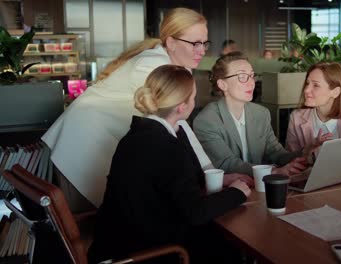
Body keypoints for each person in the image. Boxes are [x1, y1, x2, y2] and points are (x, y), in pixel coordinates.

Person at [41, 8, 247, 212]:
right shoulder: (153, 65)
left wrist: (209, 175)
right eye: (195, 43)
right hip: (81, 143)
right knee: (91, 226)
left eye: (204, 43)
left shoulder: (177, 66)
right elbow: (178, 122)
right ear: (171, 42)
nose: (202, 50)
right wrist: (210, 174)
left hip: (102, 142)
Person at [87, 65, 251, 264]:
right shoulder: (166, 146)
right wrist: (237, 193)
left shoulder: (138, 135)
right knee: (231, 250)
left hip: (117, 242)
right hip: (146, 252)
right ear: (181, 107)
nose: (194, 102)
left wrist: (223, 180)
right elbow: (196, 213)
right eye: (193, 98)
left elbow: (168, 180)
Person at [194, 52, 307, 177]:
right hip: (228, 190)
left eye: (252, 75)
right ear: (223, 84)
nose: (251, 83)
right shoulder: (207, 120)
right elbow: (227, 164)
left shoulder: (261, 113)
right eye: (242, 76)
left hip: (259, 187)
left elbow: (277, 153)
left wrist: (307, 152)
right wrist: (273, 171)